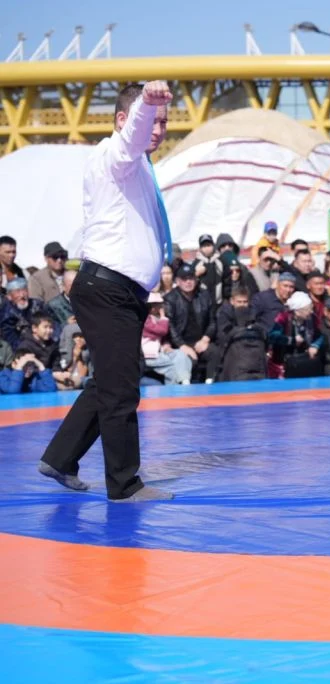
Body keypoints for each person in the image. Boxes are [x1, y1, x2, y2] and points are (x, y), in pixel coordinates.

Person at [39, 80, 175, 502]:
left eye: (164, 122)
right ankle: (124, 484)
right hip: (107, 288)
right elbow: (130, 140)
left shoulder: (139, 169)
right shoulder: (113, 155)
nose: (157, 128)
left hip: (120, 291)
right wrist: (146, 107)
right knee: (121, 390)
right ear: (125, 120)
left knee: (111, 382)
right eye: (152, 121)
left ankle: (61, 458)